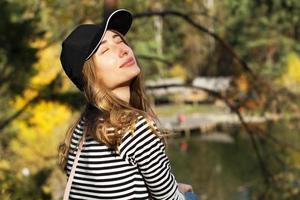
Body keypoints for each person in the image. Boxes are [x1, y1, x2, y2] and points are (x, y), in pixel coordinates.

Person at [58, 8, 198, 200]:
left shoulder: (80, 130)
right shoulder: (136, 128)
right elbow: (167, 197)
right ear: (89, 77)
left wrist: (174, 187)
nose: (123, 50)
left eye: (120, 41)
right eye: (106, 50)